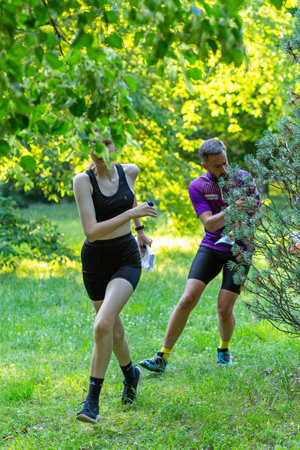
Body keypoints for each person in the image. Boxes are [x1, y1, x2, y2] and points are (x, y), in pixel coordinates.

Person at [140, 138, 260, 372]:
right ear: (204, 166)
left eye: (225, 163)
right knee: (187, 299)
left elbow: (257, 213)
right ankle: (162, 356)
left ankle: (224, 351)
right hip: (212, 246)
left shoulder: (243, 178)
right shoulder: (198, 186)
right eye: (217, 166)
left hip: (241, 250)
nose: (224, 169)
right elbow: (211, 225)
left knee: (224, 309)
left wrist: (244, 223)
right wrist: (233, 209)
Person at [73, 134, 157, 423]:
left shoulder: (129, 170)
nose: (99, 151)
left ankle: (91, 404)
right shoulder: (82, 182)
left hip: (125, 257)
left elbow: (128, 194)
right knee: (114, 330)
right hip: (95, 261)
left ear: (116, 146)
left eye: (106, 143)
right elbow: (92, 231)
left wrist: (140, 228)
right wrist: (133, 214)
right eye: (93, 145)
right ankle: (131, 374)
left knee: (103, 324)